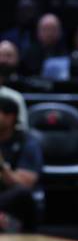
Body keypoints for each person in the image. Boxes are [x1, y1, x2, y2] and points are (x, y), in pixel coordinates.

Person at [0, 97, 42, 232]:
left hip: (9, 195)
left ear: (10, 117)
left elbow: (26, 182)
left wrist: (1, 166)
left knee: (23, 192)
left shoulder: (27, 142)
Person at [0, 41, 28, 130]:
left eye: (8, 55)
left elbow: (21, 128)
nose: (3, 60)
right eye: (1, 55)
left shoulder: (15, 97)